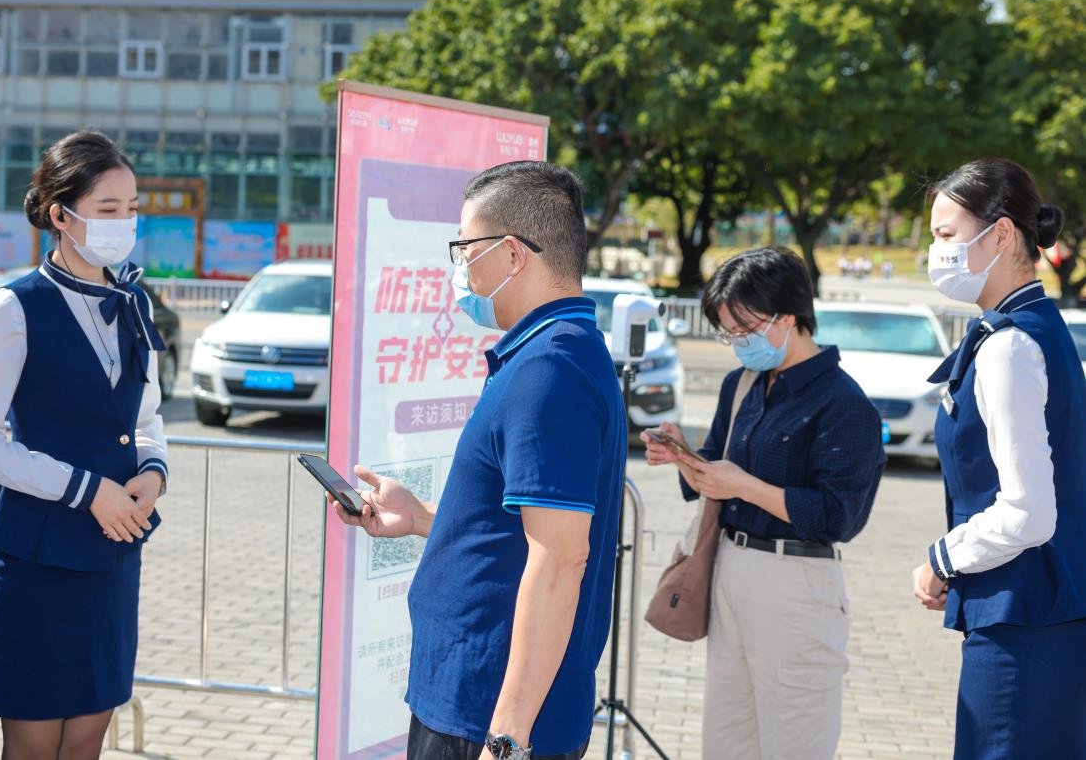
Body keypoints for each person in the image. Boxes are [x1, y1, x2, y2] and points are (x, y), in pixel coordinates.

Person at [329, 161, 626, 760]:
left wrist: (507, 739)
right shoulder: (548, 354)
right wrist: (419, 518)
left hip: (487, 715)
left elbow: (562, 558)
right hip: (470, 698)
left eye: (465, 248)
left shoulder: (550, 371)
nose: (458, 266)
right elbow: (523, 532)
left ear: (513, 254)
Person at [0, 130, 169, 760]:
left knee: (86, 743)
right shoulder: (14, 307)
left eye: (132, 207)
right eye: (109, 209)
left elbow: (147, 417)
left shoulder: (132, 300)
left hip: (111, 554)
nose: (126, 222)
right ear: (60, 214)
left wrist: (151, 474)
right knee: (33, 745)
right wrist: (89, 491)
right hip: (37, 554)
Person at [641, 246, 884, 760]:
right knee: (726, 741)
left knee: (794, 741)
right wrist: (682, 456)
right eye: (727, 331)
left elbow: (838, 516)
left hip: (795, 582)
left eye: (744, 329)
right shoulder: (742, 383)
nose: (736, 342)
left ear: (789, 317)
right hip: (730, 568)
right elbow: (715, 468)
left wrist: (743, 485)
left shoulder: (843, 403)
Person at [912, 158, 1085, 759]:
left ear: (1003, 234)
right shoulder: (1034, 327)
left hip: (1023, 623)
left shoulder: (1009, 345)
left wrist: (945, 558)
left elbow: (1029, 513)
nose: (936, 253)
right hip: (1045, 616)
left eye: (946, 235)